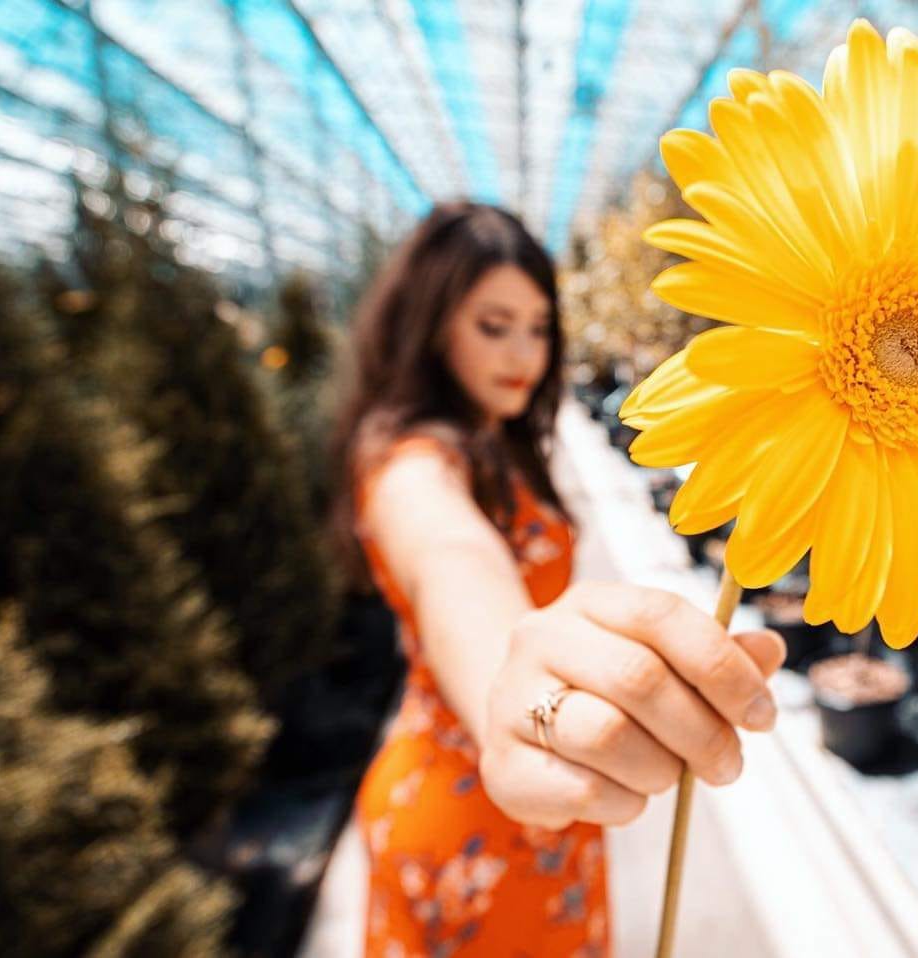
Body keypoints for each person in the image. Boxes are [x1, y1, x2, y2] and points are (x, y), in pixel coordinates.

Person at [330, 202, 785, 957]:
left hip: (553, 797)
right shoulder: (407, 465)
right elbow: (451, 558)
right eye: (494, 325)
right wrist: (513, 682)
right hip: (464, 832)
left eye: (539, 328)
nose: (524, 353)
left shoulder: (498, 441)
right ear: (430, 326)